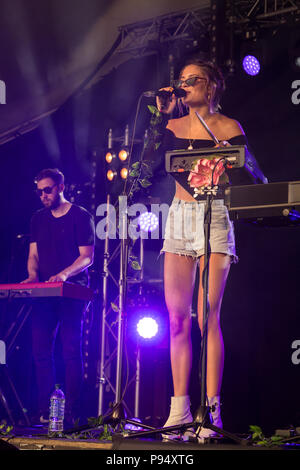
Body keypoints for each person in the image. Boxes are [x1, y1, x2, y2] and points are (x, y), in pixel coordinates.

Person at [154, 58, 249, 441]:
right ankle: (178, 411)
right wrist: (160, 116)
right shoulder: (172, 126)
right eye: (182, 80)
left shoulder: (230, 127)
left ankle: (211, 411)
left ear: (211, 86)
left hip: (215, 216)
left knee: (206, 316)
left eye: (194, 80)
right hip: (180, 216)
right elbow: (152, 167)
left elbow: (247, 175)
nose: (185, 85)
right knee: (176, 318)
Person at [22, 168, 95, 426]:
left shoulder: (80, 216)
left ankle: (73, 410)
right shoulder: (37, 219)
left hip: (72, 292)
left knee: (70, 349)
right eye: (39, 191)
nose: (43, 195)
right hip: (45, 292)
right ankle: (45, 410)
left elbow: (87, 256)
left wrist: (63, 274)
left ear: (61, 187)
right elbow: (33, 254)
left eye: (48, 190)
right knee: (41, 349)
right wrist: (32, 276)